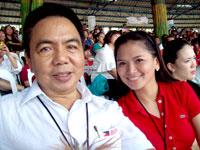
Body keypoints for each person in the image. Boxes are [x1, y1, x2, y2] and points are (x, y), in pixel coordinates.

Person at [0, 4, 154, 150]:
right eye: (46, 48)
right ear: (29, 60)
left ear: (83, 54)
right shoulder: (6, 114)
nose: (61, 58)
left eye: (71, 47)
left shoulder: (109, 110)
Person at [115, 31, 200, 150]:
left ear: (156, 62)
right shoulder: (118, 111)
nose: (131, 70)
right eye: (122, 63)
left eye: (139, 60)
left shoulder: (181, 90)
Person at [91, 30, 121, 99]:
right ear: (109, 38)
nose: (119, 37)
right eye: (116, 36)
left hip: (110, 79)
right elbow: (111, 70)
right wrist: (123, 82)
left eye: (120, 36)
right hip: (101, 81)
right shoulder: (105, 52)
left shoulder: (115, 52)